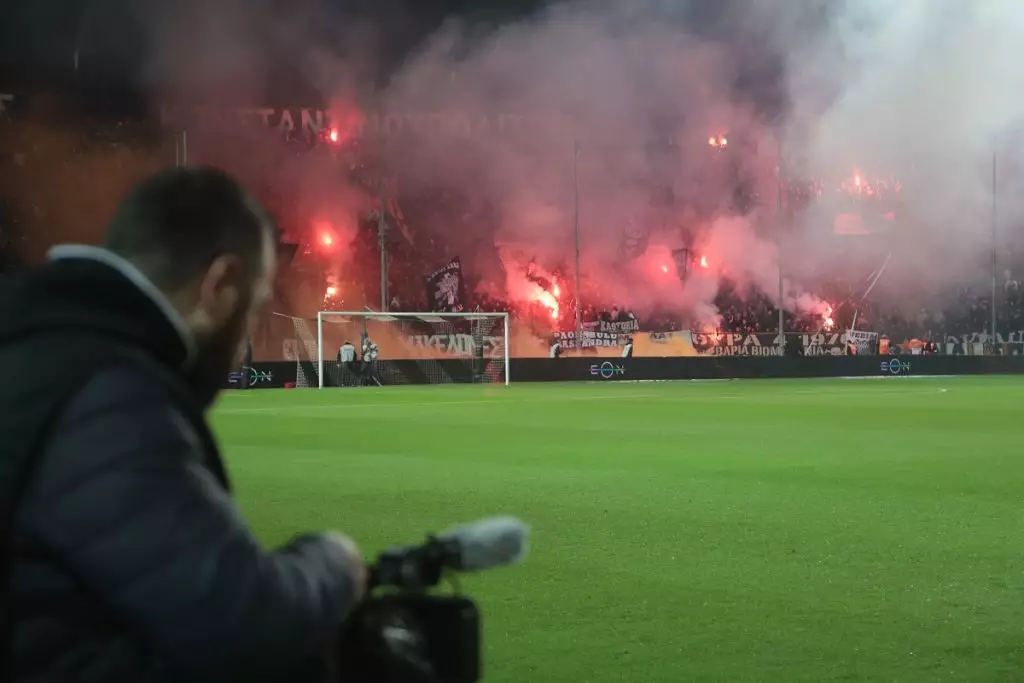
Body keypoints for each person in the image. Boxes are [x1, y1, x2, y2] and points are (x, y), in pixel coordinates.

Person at [0, 167, 366, 682]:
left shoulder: (34, 334)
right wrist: (336, 562)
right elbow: (245, 628)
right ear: (219, 286)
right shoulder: (107, 393)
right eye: (254, 306)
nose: (241, 343)